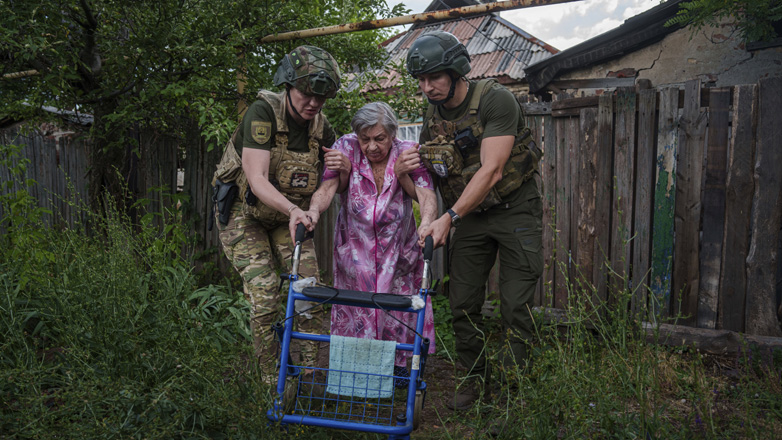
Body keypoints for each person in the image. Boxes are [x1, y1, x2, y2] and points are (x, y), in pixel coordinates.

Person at [400, 30, 544, 410]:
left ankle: (514, 393)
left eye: (434, 78)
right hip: (471, 216)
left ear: (456, 72)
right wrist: (409, 173)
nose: (426, 87)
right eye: (421, 80)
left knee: (515, 306)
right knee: (462, 303)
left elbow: (492, 170)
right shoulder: (433, 114)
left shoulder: (497, 100)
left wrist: (449, 217)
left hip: (516, 209)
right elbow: (437, 174)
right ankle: (475, 380)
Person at [211, 45, 340, 384]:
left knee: (310, 290)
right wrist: (296, 209)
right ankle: (272, 380)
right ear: (288, 85)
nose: (312, 103)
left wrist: (314, 207)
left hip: (289, 216)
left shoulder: (322, 129)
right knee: (266, 292)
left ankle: (311, 376)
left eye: (321, 98)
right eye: (305, 93)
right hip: (244, 211)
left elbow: (332, 179)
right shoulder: (263, 112)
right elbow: (256, 180)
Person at [306, 101, 438, 382]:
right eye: (365, 139)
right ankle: (357, 373)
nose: (372, 146)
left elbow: (426, 194)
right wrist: (313, 212)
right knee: (356, 309)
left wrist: (427, 222)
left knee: (396, 310)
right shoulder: (346, 147)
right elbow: (328, 187)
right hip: (355, 250)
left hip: (397, 250)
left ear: (392, 134)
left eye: (379, 138)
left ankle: (401, 369)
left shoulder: (407, 152)